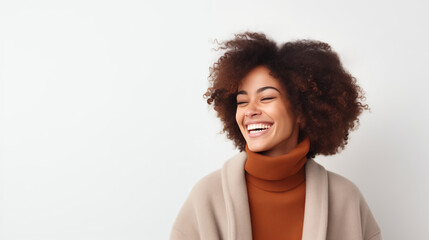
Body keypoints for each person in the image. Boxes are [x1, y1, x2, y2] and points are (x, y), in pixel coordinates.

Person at [170, 32, 382, 240]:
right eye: (242, 102)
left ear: (302, 110)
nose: (250, 110)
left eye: (267, 97)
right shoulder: (206, 197)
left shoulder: (345, 198)